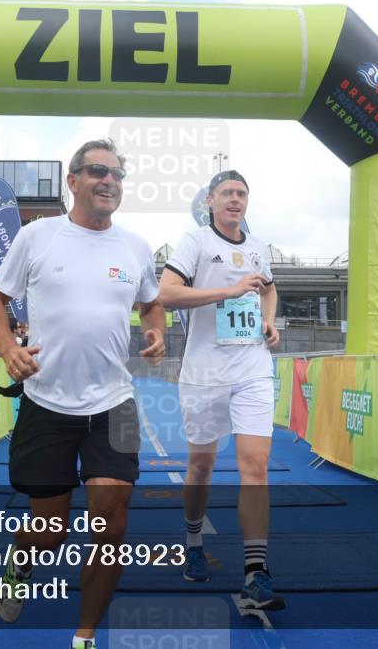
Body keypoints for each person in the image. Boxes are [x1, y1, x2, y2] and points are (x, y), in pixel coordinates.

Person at [0, 138, 166, 649]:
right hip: (45, 403)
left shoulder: (135, 246)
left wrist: (157, 331)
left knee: (111, 529)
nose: (110, 181)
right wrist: (7, 350)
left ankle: (84, 637)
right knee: (51, 532)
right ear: (73, 181)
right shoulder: (38, 237)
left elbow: (152, 304)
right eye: (98, 172)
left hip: (116, 404)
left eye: (118, 174)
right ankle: (20, 563)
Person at [158, 169, 283, 610]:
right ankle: (193, 538)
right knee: (202, 468)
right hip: (205, 371)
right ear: (211, 201)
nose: (235, 200)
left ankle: (256, 573)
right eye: (227, 193)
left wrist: (269, 321)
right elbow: (166, 294)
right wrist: (227, 291)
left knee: (256, 466)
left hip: (252, 367)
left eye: (242, 194)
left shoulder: (257, 247)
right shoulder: (196, 242)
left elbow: (269, 291)